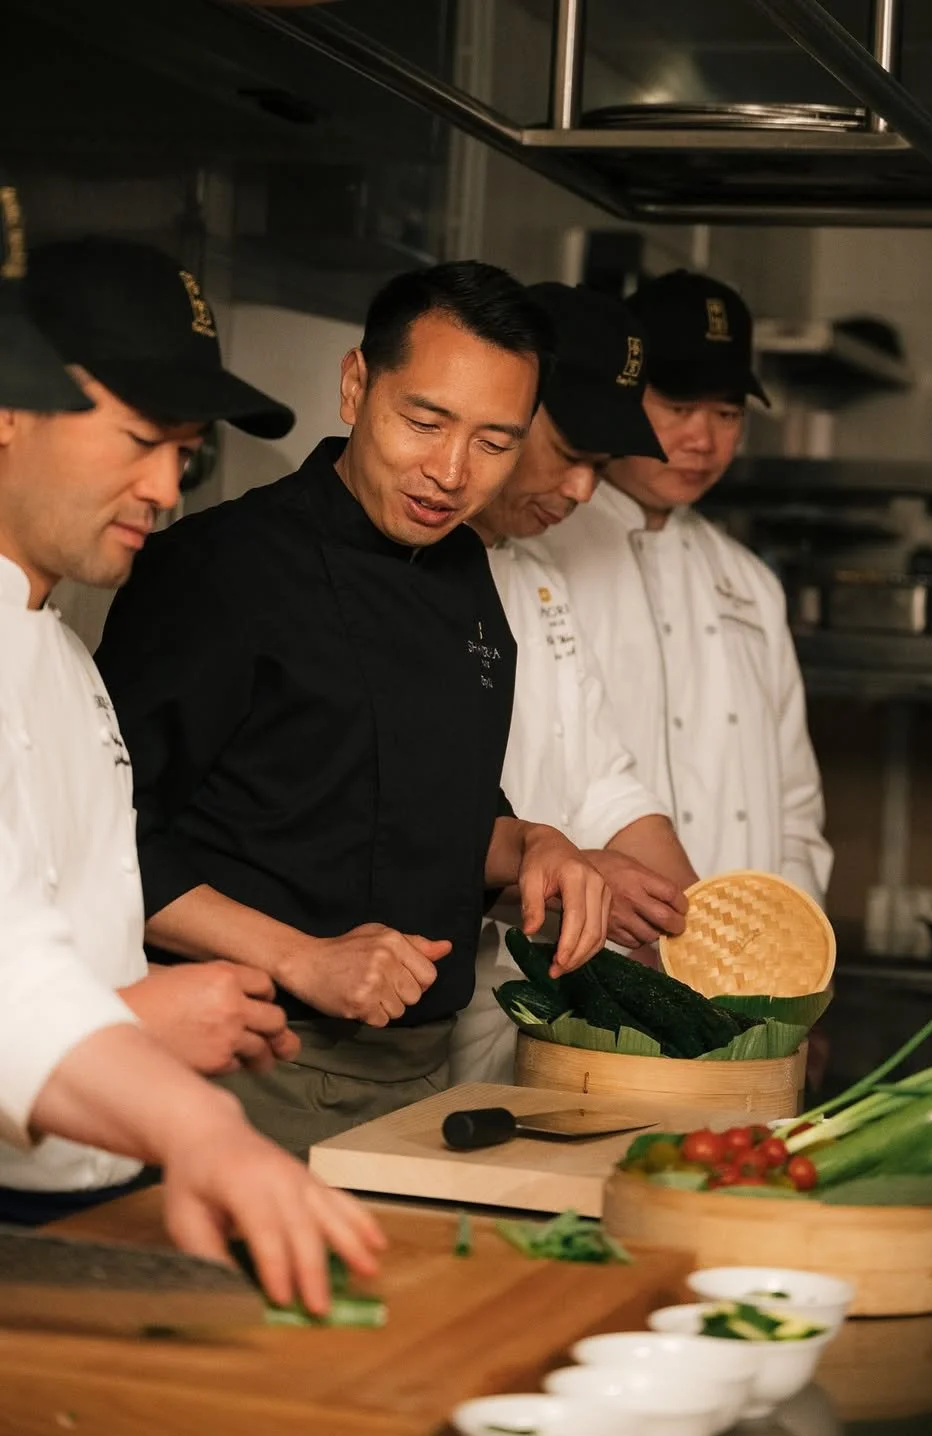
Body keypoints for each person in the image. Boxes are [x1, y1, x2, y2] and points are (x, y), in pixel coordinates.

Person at [94, 258, 611, 1157]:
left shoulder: (463, 571)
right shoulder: (221, 569)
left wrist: (535, 846)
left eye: (494, 443)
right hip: (258, 1067)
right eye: (424, 422)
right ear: (355, 386)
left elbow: (411, 806)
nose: (450, 472)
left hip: (425, 1072)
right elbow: (104, 841)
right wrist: (301, 956)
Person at [0, 184, 383, 1313]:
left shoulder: (58, 645)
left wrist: (142, 1013)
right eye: (139, 440)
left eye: (184, 452)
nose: (166, 490)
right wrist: (174, 1087)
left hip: (91, 1185)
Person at [452, 282, 698, 1084]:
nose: (585, 491)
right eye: (569, 454)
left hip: (540, 1003)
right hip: (427, 1010)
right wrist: (570, 883)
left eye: (600, 465)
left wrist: (701, 937)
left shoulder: (534, 578)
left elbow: (602, 781)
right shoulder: (411, 578)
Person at [539, 270, 832, 904]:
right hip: (593, 940)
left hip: (745, 946)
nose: (703, 440)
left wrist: (790, 931)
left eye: (727, 414)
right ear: (622, 398)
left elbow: (795, 802)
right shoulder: (542, 551)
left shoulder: (750, 583)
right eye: (677, 408)